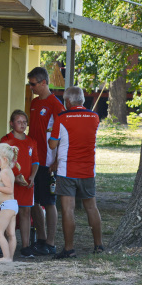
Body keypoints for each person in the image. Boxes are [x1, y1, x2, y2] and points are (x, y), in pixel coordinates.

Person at [48, 86, 104, 258]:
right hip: (88, 169)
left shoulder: (62, 118)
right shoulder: (94, 117)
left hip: (67, 171)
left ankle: (69, 248)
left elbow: (52, 144)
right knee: (92, 207)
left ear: (68, 101)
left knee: (68, 210)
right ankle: (98, 245)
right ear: (82, 100)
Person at [26, 66, 64, 256]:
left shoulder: (56, 105)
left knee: (49, 202)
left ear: (43, 83)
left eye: (33, 84)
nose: (31, 87)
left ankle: (50, 242)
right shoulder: (33, 103)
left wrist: (57, 160)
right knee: (33, 200)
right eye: (29, 84)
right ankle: (40, 239)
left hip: (48, 162)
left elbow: (63, 136)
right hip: (33, 160)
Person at [0, 110, 39, 256]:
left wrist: (33, 177)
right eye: (19, 122)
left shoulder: (31, 141)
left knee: (25, 212)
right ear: (11, 123)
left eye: (24, 122)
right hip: (10, 182)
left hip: (26, 183)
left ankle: (26, 246)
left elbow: (35, 162)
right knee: (8, 213)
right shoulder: (6, 140)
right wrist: (13, 177)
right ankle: (5, 245)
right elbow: (2, 162)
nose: (22, 125)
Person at [0, 143, 18, 262]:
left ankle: (6, 257)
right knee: (11, 233)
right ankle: (10, 257)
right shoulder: (8, 170)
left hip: (7, 206)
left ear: (4, 159)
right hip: (11, 205)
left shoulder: (4, 172)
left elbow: (9, 189)